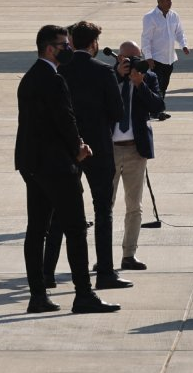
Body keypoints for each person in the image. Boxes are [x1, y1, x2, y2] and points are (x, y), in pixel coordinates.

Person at [15, 24, 120, 316]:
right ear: (50, 48)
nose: (68, 49)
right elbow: (65, 119)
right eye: (63, 44)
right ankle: (84, 294)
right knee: (75, 229)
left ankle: (38, 295)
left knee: (36, 230)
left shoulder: (29, 78)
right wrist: (79, 148)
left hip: (32, 165)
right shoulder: (53, 79)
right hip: (57, 166)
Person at [43, 21, 131, 292]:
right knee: (102, 209)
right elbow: (117, 113)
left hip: (67, 147)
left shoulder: (62, 70)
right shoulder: (103, 71)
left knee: (59, 211)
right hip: (99, 149)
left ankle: (47, 272)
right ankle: (105, 271)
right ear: (93, 44)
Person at [110, 41, 163, 272]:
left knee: (134, 206)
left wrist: (140, 85)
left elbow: (158, 105)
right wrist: (119, 78)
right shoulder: (109, 77)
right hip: (110, 149)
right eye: (127, 58)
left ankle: (129, 254)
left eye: (136, 58)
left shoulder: (148, 77)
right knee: (105, 205)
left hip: (135, 150)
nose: (131, 63)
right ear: (118, 58)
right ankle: (104, 256)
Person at [140, 0, 189, 118]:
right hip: (156, 59)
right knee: (157, 86)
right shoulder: (150, 17)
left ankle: (158, 109)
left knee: (164, 86)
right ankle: (156, 111)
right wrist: (148, 57)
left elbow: (179, 32)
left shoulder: (174, 16)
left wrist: (183, 45)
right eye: (167, 0)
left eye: (171, 0)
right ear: (159, 1)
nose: (170, 2)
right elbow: (146, 39)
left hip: (169, 58)